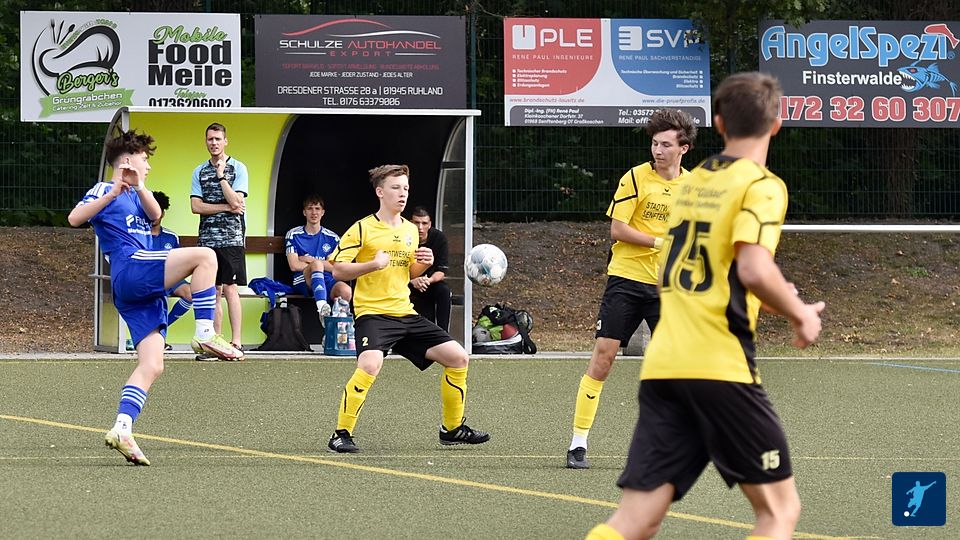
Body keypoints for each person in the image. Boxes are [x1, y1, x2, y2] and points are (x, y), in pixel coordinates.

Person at [585, 72, 825, 540]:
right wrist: (799, 313)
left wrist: (774, 296)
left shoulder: (691, 186)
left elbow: (680, 274)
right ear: (776, 125)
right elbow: (753, 268)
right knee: (779, 511)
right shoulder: (762, 185)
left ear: (719, 124)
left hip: (664, 367)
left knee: (635, 520)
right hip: (719, 366)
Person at [68, 129, 242, 466]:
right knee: (206, 256)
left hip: (141, 291)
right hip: (131, 267)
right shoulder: (104, 189)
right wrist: (114, 190)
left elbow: (155, 215)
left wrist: (138, 186)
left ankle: (122, 428)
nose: (148, 166)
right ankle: (205, 333)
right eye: (144, 160)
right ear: (128, 160)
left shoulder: (138, 194)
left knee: (152, 364)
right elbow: (75, 218)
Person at [566, 108, 698, 470]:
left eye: (666, 144)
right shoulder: (635, 178)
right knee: (604, 357)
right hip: (625, 280)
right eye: (655, 143)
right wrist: (660, 242)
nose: (658, 150)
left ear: (683, 148)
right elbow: (618, 230)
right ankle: (578, 443)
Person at [325, 164, 489, 453]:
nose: (402, 194)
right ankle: (340, 434)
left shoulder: (411, 230)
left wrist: (424, 264)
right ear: (380, 192)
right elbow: (337, 270)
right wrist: (371, 264)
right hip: (373, 314)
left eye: (406, 188)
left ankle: (451, 429)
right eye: (395, 188)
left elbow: (409, 273)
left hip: (406, 313)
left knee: (458, 357)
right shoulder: (362, 228)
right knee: (370, 365)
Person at [190, 122, 248, 350]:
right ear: (206, 142)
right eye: (210, 139)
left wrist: (221, 176)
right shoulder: (199, 171)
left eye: (217, 139)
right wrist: (225, 207)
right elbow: (196, 206)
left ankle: (237, 341)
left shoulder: (239, 168)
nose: (213, 143)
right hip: (207, 240)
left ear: (225, 141)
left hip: (232, 238)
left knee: (230, 288)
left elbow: (237, 200)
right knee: (213, 291)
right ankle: (215, 340)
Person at [284, 195, 352, 320]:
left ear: (323, 212)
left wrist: (310, 259)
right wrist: (319, 264)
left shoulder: (332, 238)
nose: (314, 212)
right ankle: (322, 309)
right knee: (317, 265)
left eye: (317, 208)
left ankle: (335, 326)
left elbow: (335, 268)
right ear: (304, 212)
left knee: (345, 291)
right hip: (303, 279)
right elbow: (294, 265)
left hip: (326, 278)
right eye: (310, 208)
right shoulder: (294, 234)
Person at [151, 191, 192, 339]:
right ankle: (154, 338)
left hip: (170, 276)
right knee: (156, 300)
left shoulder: (171, 236)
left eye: (157, 212)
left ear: (162, 214)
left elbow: (178, 261)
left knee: (190, 294)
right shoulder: (139, 235)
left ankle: (162, 329)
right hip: (148, 278)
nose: (154, 216)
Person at [408, 206, 451, 331]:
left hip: (429, 282)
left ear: (430, 224)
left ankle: (444, 334)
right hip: (405, 281)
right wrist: (411, 281)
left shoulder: (439, 238)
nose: (420, 228)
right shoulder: (402, 237)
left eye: (424, 223)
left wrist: (428, 281)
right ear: (410, 223)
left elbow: (441, 271)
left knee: (444, 291)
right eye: (416, 223)